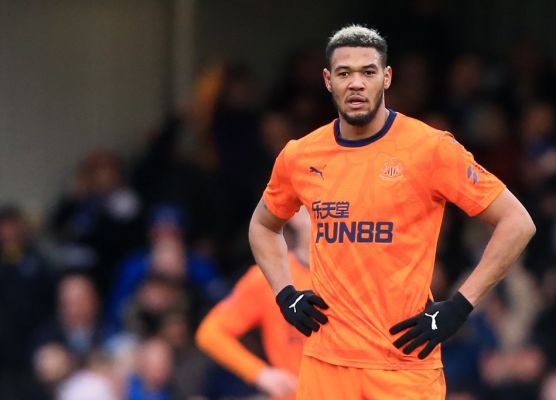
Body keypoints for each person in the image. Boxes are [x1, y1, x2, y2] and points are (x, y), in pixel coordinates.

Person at [248, 24, 536, 399]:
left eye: (368, 72)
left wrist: (460, 307)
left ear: (386, 78)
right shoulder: (300, 156)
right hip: (326, 364)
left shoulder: (430, 148)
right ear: (327, 80)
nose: (356, 83)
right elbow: (263, 225)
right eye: (344, 73)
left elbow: (517, 222)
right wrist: (285, 293)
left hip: (405, 364)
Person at [196, 207, 312, 400]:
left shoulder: (359, 274)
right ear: (296, 215)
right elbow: (211, 332)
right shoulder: (268, 277)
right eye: (316, 210)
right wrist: (259, 373)